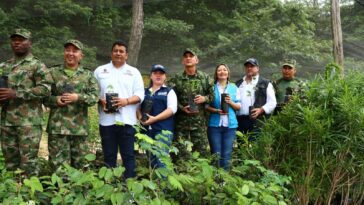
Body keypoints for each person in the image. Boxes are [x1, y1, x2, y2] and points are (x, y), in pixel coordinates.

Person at [0, 28, 53, 175]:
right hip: (7, 122)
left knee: (28, 163)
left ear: (29, 43)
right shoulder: (4, 66)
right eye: (14, 39)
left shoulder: (37, 65)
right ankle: (13, 194)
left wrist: (16, 94)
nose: (17, 42)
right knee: (10, 162)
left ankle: (30, 196)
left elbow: (45, 88)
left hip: (28, 123)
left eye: (21, 39)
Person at [44, 39, 99, 169]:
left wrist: (77, 97)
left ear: (81, 56)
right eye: (68, 50)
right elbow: (43, 96)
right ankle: (60, 190)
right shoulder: (52, 72)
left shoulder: (87, 75)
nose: (71, 53)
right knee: (58, 167)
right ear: (64, 53)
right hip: (58, 129)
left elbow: (94, 97)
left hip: (79, 129)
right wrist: (55, 100)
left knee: (81, 166)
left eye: (75, 51)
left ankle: (78, 190)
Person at [94, 40, 144, 179]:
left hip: (127, 121)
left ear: (126, 55)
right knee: (109, 156)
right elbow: (92, 92)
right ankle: (108, 188)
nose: (118, 53)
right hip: (107, 121)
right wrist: (100, 99)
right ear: (111, 53)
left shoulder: (133, 72)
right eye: (115, 50)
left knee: (128, 156)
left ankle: (129, 188)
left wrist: (126, 101)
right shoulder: (100, 71)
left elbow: (140, 95)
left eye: (121, 51)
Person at [168, 49, 213, 160]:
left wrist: (204, 98)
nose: (188, 58)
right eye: (186, 56)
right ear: (183, 61)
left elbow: (213, 95)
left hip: (199, 122)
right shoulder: (176, 78)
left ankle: (199, 175)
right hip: (181, 122)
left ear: (196, 60)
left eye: (191, 56)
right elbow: (170, 98)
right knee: (178, 152)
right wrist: (182, 108)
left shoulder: (205, 78)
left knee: (201, 152)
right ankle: (180, 174)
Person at [139, 64, 177, 169]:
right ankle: (156, 184)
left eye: (161, 73)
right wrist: (140, 119)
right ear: (151, 76)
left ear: (165, 76)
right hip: (147, 132)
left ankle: (164, 184)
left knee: (161, 160)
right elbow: (137, 109)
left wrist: (155, 119)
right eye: (155, 73)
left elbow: (172, 109)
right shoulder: (144, 92)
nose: (158, 75)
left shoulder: (169, 91)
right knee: (151, 160)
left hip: (163, 131)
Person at [206, 64, 241, 170]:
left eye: (224, 70)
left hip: (230, 126)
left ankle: (224, 181)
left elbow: (239, 106)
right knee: (215, 153)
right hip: (214, 125)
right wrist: (216, 111)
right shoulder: (211, 88)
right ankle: (215, 180)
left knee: (226, 154)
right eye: (219, 70)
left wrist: (230, 102)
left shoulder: (234, 87)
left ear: (228, 73)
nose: (222, 72)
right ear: (216, 73)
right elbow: (206, 106)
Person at [235, 58, 276, 139]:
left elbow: (272, 102)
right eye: (247, 66)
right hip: (240, 120)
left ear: (257, 68)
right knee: (241, 147)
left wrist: (261, 110)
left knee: (254, 146)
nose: (249, 68)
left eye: (252, 66)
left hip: (257, 120)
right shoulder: (239, 83)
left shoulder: (265, 83)